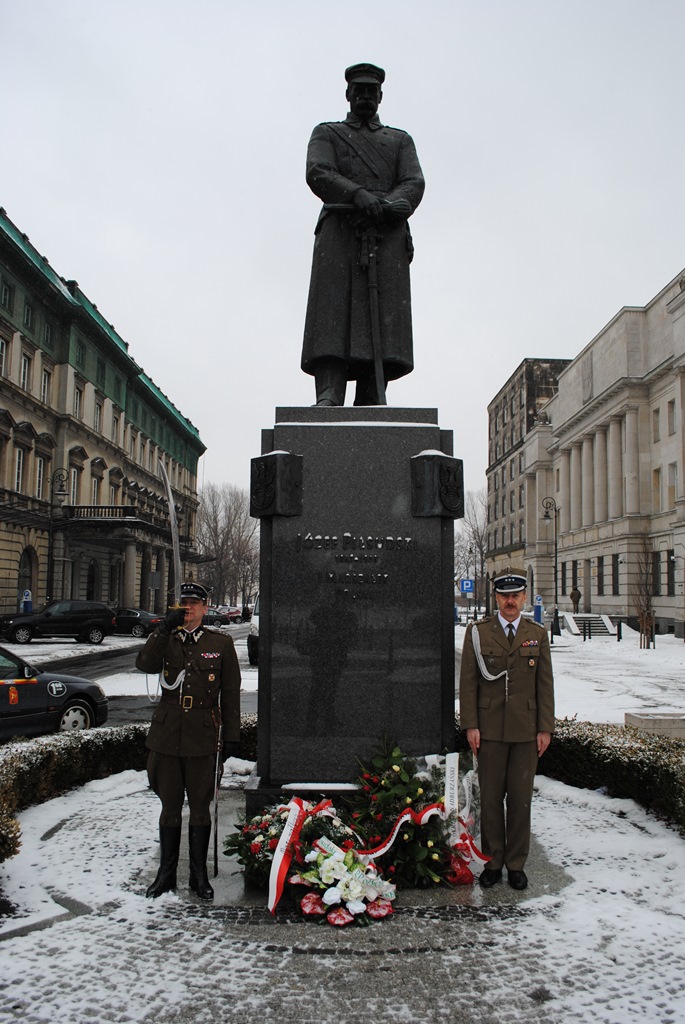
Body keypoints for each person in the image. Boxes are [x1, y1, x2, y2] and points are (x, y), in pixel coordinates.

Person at [301, 62, 425, 406]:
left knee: (381, 323)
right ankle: (329, 391)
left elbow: (413, 182)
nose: (366, 97)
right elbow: (318, 171)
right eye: (360, 91)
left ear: (381, 96)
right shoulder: (327, 133)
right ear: (348, 94)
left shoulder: (400, 140)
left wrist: (386, 205)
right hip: (340, 235)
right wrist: (357, 195)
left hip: (385, 236)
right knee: (332, 316)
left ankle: (371, 395)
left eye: (372, 91)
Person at [136, 582, 241, 900]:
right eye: (184, 602)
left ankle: (198, 875)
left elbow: (231, 693)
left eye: (195, 603)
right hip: (167, 736)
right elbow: (144, 664)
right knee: (169, 808)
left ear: (206, 607)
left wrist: (231, 738)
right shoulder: (167, 639)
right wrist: (161, 630)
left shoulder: (219, 643)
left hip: (202, 736)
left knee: (199, 808)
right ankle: (165, 874)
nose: (189, 608)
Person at [459, 568, 555, 890]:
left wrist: (545, 728)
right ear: (496, 597)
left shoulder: (537, 634)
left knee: (520, 800)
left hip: (526, 732)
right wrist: (471, 724)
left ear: (524, 597)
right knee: (489, 801)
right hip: (489, 731)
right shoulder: (478, 632)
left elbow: (545, 685)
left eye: (515, 595)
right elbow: (468, 682)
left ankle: (516, 864)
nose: (510, 601)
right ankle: (492, 862)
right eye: (504, 595)